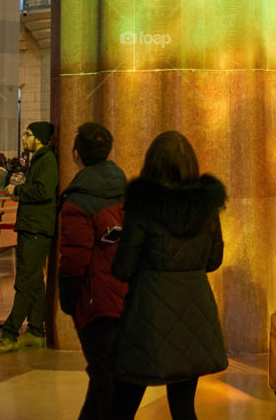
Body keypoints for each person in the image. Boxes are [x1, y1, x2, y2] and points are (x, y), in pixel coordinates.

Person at [110, 131, 226, 419]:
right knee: (184, 406)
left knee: (122, 404)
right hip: (194, 312)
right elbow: (213, 260)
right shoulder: (206, 207)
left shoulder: (143, 205)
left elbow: (123, 268)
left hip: (148, 315)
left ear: (152, 163)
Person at [58, 123, 127, 420]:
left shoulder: (78, 199)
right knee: (106, 375)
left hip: (94, 300)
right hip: (123, 294)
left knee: (103, 377)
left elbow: (74, 257)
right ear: (110, 151)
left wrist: (67, 297)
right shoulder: (125, 188)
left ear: (76, 154)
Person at [0, 121, 58, 353]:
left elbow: (43, 191)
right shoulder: (39, 159)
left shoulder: (47, 160)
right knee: (35, 281)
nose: (24, 138)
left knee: (25, 281)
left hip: (38, 228)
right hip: (31, 225)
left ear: (38, 138)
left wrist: (16, 191)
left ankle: (10, 333)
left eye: (27, 135)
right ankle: (36, 331)